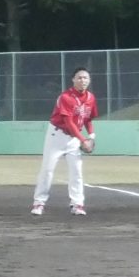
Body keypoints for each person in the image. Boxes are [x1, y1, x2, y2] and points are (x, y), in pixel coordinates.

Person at [33, 67, 98, 217]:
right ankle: (39, 203)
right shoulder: (66, 97)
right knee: (47, 170)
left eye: (85, 78)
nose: (82, 80)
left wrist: (91, 136)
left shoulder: (90, 98)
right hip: (57, 136)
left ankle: (77, 204)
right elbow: (68, 122)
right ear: (73, 80)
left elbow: (88, 119)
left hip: (74, 139)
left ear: (89, 80)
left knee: (77, 171)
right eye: (79, 77)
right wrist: (83, 140)